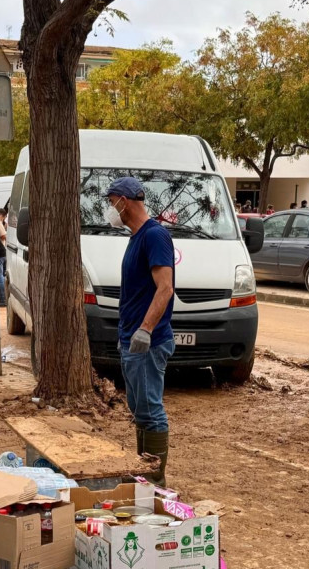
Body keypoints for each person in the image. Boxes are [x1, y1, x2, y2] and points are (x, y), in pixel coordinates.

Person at [105, 177, 175, 486]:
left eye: (112, 203)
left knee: (150, 411)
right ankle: (144, 475)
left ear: (125, 201)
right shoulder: (136, 237)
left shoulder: (154, 235)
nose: (110, 210)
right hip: (130, 341)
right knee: (139, 409)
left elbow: (165, 288)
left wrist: (145, 331)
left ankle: (155, 482)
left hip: (146, 342)